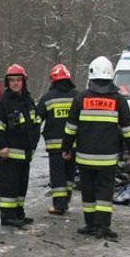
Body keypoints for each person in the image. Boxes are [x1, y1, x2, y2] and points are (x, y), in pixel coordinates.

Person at [61, 55, 130, 239]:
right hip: (107, 158)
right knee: (104, 191)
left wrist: (66, 148)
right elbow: (128, 129)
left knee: (88, 191)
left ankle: (90, 225)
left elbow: (70, 127)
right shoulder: (119, 100)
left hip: (84, 156)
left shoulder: (81, 98)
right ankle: (103, 226)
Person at [0, 64, 42, 227]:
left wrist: (33, 145)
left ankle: (19, 213)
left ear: (23, 81)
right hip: (8, 154)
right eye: (11, 80)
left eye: (18, 80)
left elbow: (36, 123)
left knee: (21, 185)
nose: (15, 83)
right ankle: (7, 216)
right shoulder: (2, 102)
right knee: (9, 186)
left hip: (25, 153)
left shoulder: (27, 100)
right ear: (7, 82)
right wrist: (2, 146)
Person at [37, 64, 78, 215]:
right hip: (74, 145)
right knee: (69, 175)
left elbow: (37, 119)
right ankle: (65, 201)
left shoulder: (47, 98)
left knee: (57, 176)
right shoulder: (77, 96)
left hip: (55, 146)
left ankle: (59, 205)